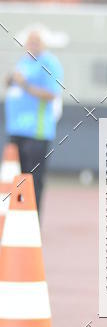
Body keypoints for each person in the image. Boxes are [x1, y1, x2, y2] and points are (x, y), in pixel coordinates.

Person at [4, 28, 64, 214]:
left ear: (44, 44)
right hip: (16, 130)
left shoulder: (49, 63)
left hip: (36, 132)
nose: (32, 44)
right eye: (30, 41)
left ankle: (33, 220)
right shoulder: (23, 62)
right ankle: (18, 215)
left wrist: (25, 85)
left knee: (33, 179)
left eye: (36, 41)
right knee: (17, 177)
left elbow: (51, 93)